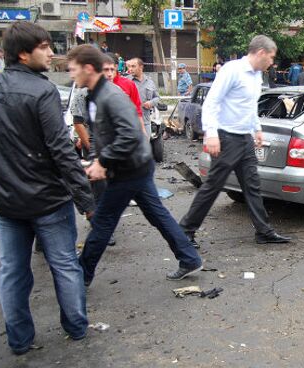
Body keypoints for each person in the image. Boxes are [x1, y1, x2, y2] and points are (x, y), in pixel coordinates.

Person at [0, 21, 95, 355]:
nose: (52, 53)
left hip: (6, 202)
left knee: (12, 272)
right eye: (45, 47)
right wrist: (85, 200)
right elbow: (62, 151)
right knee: (64, 265)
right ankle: (76, 328)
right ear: (23, 53)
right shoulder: (42, 91)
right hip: (48, 200)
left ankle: (19, 340)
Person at [66, 45, 203, 286]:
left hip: (129, 169)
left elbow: (130, 136)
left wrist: (104, 161)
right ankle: (189, 257)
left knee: (103, 222)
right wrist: (97, 159)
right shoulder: (94, 95)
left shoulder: (111, 95)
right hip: (134, 166)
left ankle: (81, 275)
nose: (70, 74)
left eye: (73, 69)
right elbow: (102, 133)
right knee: (157, 215)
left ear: (88, 68)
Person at [179, 35, 291, 247]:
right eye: (271, 57)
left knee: (252, 186)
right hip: (226, 138)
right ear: (260, 53)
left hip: (245, 139)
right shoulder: (232, 70)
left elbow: (249, 107)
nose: (272, 62)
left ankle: (264, 232)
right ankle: (185, 231)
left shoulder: (257, 75)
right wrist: (211, 133)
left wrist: (256, 130)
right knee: (213, 186)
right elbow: (212, 102)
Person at [127, 57, 160, 137]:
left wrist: (151, 103)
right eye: (129, 66)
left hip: (145, 122)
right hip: (129, 122)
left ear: (141, 67)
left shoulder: (150, 82)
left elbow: (157, 98)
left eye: (133, 66)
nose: (130, 69)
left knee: (145, 147)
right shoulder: (126, 81)